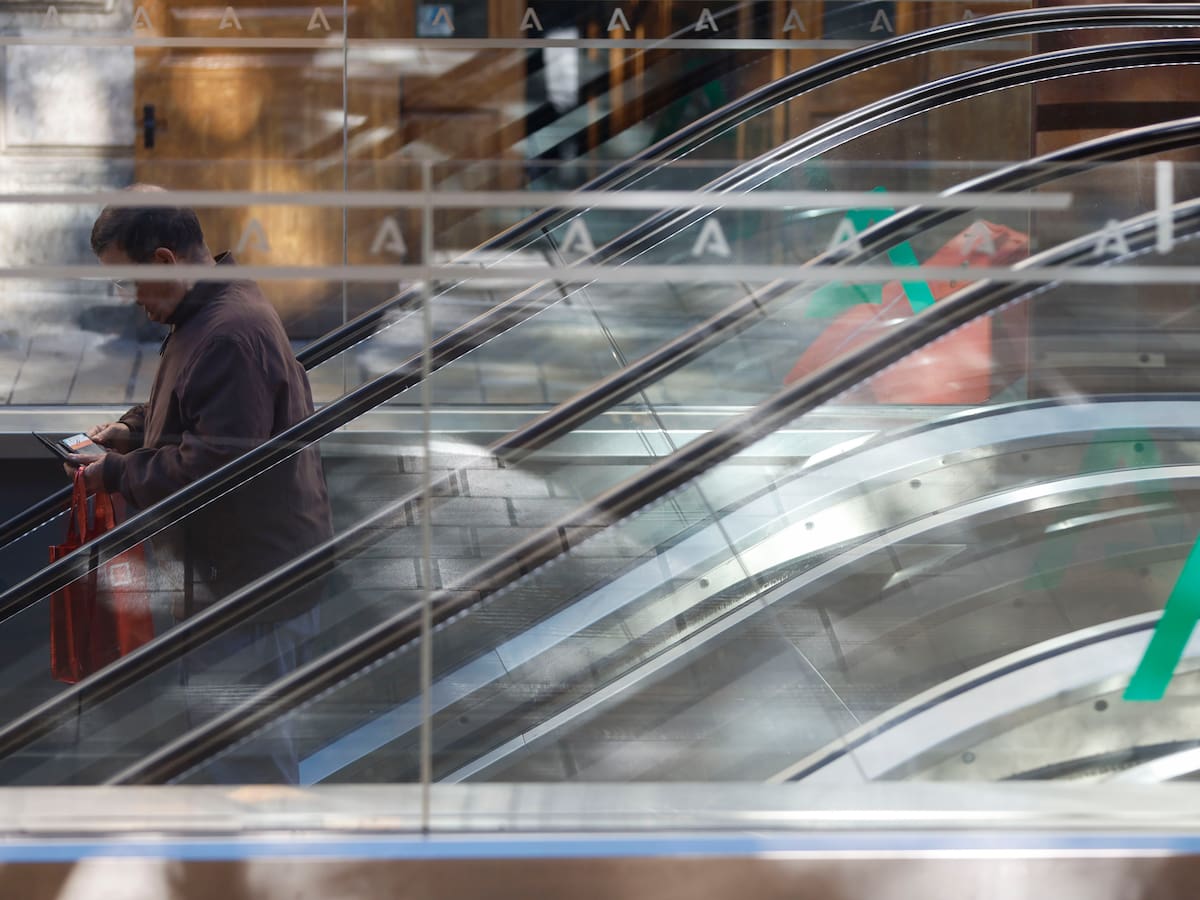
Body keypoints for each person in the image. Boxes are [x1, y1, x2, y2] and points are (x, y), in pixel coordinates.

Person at [72, 186, 334, 783]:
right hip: (245, 579)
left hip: (250, 592)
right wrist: (131, 430)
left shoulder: (225, 334)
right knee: (232, 756)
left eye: (130, 281)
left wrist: (116, 473)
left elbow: (216, 467)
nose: (131, 299)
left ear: (165, 261)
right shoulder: (213, 310)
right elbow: (200, 408)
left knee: (246, 765)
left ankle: (256, 846)